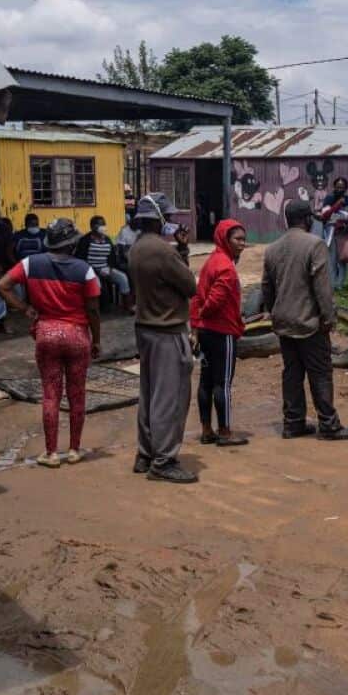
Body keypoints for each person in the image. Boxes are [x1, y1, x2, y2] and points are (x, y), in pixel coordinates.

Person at [0, 219, 102, 468]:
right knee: (77, 394)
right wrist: (96, 341)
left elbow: (2, 286)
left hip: (46, 335)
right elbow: (94, 310)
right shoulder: (85, 270)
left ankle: (51, 453)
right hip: (77, 336)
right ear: (73, 244)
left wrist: (25, 308)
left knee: (50, 394)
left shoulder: (31, 263)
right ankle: (75, 450)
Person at [263, 200, 348, 441]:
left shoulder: (272, 248)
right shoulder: (315, 245)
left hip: (283, 321)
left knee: (292, 373)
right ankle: (328, 425)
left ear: (287, 219)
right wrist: (329, 317)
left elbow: (267, 287)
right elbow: (322, 287)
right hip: (309, 322)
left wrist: (274, 311)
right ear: (307, 219)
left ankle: (293, 423)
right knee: (320, 372)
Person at [129, 193, 201, 483]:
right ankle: (164, 460)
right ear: (158, 218)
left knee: (149, 394)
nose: (170, 221)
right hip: (167, 330)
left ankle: (145, 454)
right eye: (167, 217)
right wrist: (182, 252)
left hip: (145, 328)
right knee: (170, 398)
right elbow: (189, 286)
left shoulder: (137, 248)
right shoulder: (163, 251)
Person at [190, 219, 249, 447]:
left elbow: (196, 297)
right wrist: (205, 314)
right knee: (222, 383)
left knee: (205, 381)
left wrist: (196, 324)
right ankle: (224, 431)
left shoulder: (211, 262)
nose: (242, 244)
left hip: (205, 332)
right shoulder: (225, 266)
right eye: (238, 239)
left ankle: (207, 430)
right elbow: (214, 300)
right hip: (222, 331)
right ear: (225, 239)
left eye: (244, 239)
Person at [77, 215, 133, 311]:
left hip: (106, 268)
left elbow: (112, 257)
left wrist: (109, 267)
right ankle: (95, 309)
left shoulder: (107, 240)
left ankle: (127, 306)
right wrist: (93, 270)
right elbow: (81, 259)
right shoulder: (85, 240)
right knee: (97, 284)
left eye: (103, 224)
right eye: (99, 224)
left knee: (122, 278)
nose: (102, 226)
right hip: (90, 270)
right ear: (92, 226)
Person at [320, 177, 348, 288]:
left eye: (342, 187)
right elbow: (324, 216)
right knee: (332, 258)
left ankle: (340, 284)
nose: (339, 189)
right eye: (337, 186)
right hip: (331, 232)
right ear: (334, 187)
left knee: (342, 258)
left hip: (343, 233)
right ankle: (332, 283)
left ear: (345, 188)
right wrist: (337, 205)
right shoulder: (329, 199)